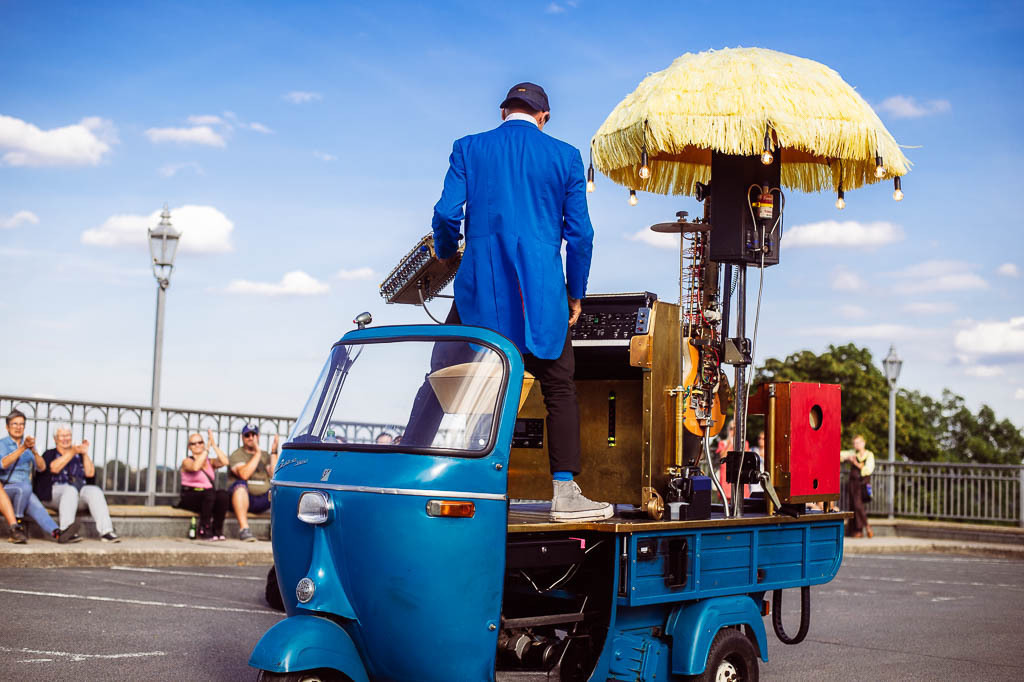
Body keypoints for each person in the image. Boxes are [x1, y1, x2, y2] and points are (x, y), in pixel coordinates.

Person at [431, 82, 609, 522]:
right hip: (542, 294)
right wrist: (574, 292)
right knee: (559, 388)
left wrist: (447, 247)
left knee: (448, 379)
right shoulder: (564, 156)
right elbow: (581, 235)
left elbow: (447, 214)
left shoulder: (468, 148)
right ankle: (565, 494)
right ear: (543, 117)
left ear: (503, 111)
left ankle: (446, 478)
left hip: (480, 292)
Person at [0, 410, 79, 542]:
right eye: (15, 424)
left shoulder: (29, 446)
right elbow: (3, 464)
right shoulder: (2, 444)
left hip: (25, 491)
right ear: (7, 427)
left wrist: (34, 452)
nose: (18, 427)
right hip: (7, 489)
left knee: (34, 502)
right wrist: (22, 448)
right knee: (25, 488)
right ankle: (17, 526)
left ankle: (57, 533)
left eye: (21, 424)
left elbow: (42, 468)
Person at [38, 424, 119, 542]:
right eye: (62, 436)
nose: (66, 438)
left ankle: (106, 531)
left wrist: (84, 453)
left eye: (68, 435)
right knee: (69, 490)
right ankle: (66, 531)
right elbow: (54, 468)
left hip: (77, 493)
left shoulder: (79, 455)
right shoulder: (50, 454)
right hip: (54, 494)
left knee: (94, 490)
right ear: (55, 439)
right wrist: (71, 452)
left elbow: (90, 473)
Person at [228, 424, 278, 541]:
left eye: (254, 435)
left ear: (258, 436)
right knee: (240, 485)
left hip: (263, 499)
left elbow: (275, 474)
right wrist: (257, 453)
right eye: (247, 435)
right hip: (244, 499)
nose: (251, 438)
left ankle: (276, 531)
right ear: (242, 437)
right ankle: (244, 529)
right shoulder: (237, 454)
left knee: (280, 491)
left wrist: (274, 451)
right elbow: (244, 474)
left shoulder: (265, 455)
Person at [178, 429, 230, 541]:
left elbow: (225, 462)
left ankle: (217, 529)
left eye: (200, 442)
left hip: (207, 497)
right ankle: (204, 528)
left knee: (223, 495)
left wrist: (214, 445)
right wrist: (206, 450)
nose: (197, 445)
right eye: (193, 443)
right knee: (209, 493)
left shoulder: (210, 462)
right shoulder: (186, 461)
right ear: (189, 447)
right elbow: (196, 467)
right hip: (190, 496)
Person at [841, 434, 875, 538]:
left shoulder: (869, 455)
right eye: (855, 443)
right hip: (853, 483)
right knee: (853, 505)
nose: (857, 445)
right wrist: (847, 458)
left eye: (858, 442)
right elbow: (840, 455)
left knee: (858, 505)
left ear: (863, 443)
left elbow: (867, 469)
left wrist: (855, 462)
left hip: (863, 484)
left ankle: (867, 526)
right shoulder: (852, 453)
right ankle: (857, 531)